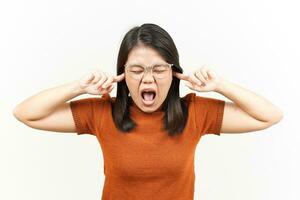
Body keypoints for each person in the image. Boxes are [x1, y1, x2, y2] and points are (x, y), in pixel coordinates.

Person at [13, 23, 283, 200]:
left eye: (159, 69)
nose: (148, 80)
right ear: (123, 74)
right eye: (137, 70)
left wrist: (220, 85)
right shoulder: (101, 112)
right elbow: (26, 113)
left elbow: (269, 115)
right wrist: (79, 87)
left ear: (174, 72)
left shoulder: (196, 112)